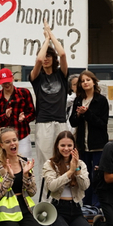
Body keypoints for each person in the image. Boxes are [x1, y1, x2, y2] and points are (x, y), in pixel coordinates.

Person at [0, 128, 48, 226]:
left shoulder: (25, 162)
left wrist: (26, 176)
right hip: (5, 211)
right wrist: (9, 176)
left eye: (14, 140)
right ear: (2, 145)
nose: (12, 144)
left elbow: (32, 192)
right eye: (8, 142)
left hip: (25, 207)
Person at [30, 21, 70, 194]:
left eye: (49, 56)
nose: (45, 58)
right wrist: (45, 40)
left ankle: (62, 191)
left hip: (61, 121)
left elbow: (63, 53)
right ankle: (47, 194)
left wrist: (51, 34)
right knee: (46, 160)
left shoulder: (61, 76)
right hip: (44, 122)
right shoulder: (37, 78)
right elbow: (39, 59)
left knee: (63, 156)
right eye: (44, 55)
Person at [42, 131, 98, 226]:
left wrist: (76, 170)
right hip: (57, 208)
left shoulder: (80, 164)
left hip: (75, 208)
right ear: (57, 146)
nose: (66, 149)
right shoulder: (50, 164)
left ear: (74, 147)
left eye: (69, 146)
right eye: (62, 145)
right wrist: (70, 172)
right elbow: (52, 186)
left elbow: (85, 186)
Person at [68, 70, 109, 207]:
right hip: (82, 144)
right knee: (83, 175)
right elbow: (73, 122)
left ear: (94, 82)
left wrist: (87, 113)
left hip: (98, 144)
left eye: (88, 80)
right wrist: (79, 115)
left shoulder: (101, 100)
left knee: (96, 175)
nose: (85, 83)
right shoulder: (78, 99)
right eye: (82, 81)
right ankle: (85, 203)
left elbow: (102, 123)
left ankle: (97, 204)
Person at [0, 68, 36, 158]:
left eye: (8, 81)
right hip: (2, 137)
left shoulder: (24, 93)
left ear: (13, 78)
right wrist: (5, 116)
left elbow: (32, 113)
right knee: (0, 165)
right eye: (4, 82)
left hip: (22, 135)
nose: (6, 84)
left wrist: (24, 118)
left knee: (25, 163)